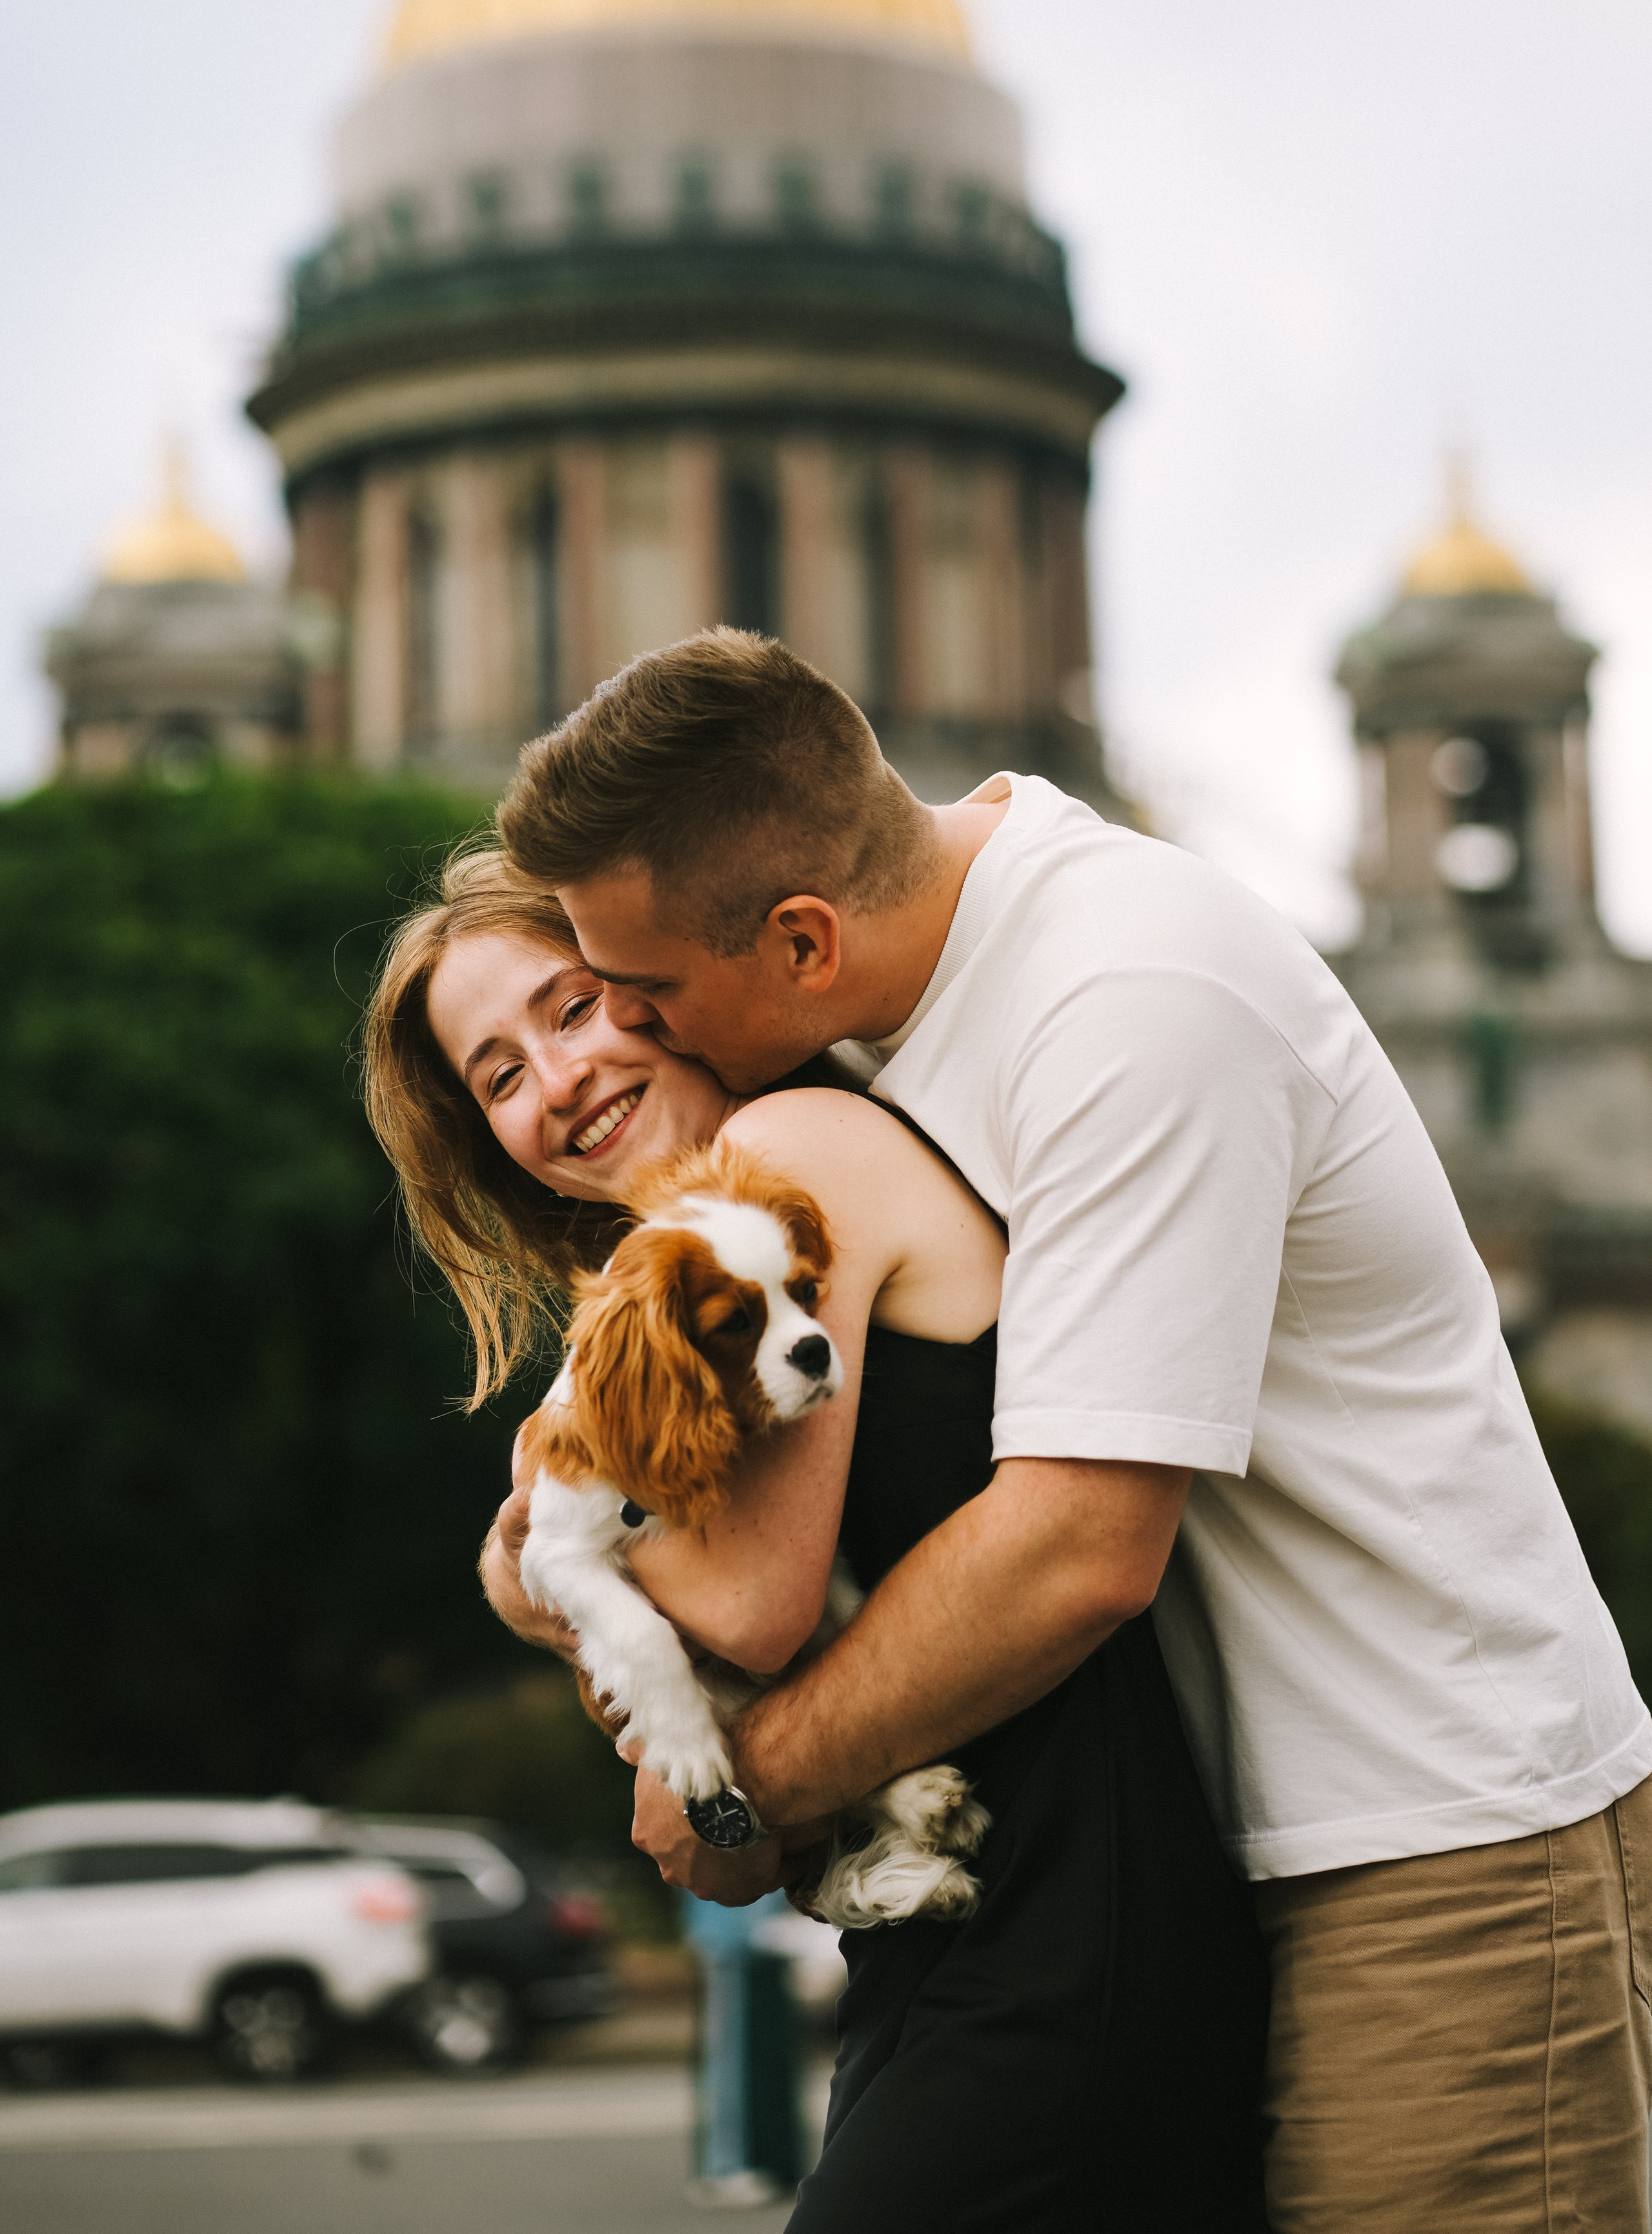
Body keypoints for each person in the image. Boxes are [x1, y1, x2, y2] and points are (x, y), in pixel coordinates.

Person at [481, 627, 1652, 2234]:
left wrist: (749, 1784)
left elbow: (1077, 1546)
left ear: (804, 940)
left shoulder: (1123, 1000)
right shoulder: (906, 1006)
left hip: (1424, 1838)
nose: (635, 1034)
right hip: (1208, 1857)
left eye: (652, 991)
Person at [362, 851, 1272, 2229]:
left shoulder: (787, 1157)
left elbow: (746, 1614)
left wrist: (526, 1562)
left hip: (1063, 1922)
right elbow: (715, 1815)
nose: (555, 1084)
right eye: (495, 1077)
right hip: (955, 1938)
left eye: (571, 1009)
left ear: (653, 982)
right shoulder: (686, 1285)